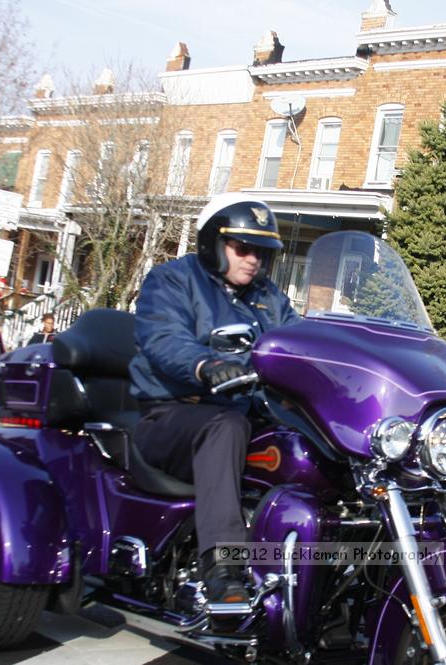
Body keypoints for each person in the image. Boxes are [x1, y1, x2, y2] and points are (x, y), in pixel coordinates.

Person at [129, 193, 299, 607]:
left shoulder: (269, 297)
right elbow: (164, 338)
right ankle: (223, 568)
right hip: (172, 415)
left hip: (246, 415)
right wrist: (206, 366)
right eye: (242, 248)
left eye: (261, 251)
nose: (253, 259)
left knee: (303, 445)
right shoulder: (172, 280)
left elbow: (298, 341)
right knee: (226, 426)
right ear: (212, 243)